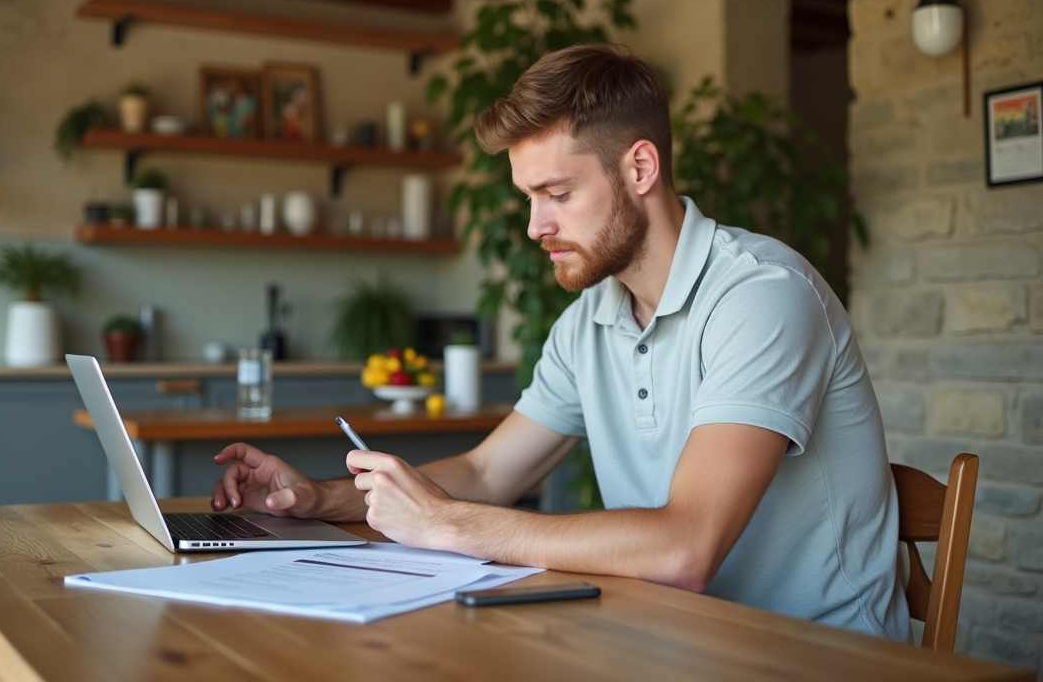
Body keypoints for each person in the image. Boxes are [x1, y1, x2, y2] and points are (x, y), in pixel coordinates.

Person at [210, 44, 911, 641]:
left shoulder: (761, 296)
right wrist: (317, 499)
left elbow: (685, 547)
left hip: (815, 659)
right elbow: (489, 474)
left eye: (557, 194)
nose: (534, 226)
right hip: (672, 644)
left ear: (640, 169)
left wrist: (454, 527)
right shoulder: (590, 321)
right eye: (527, 197)